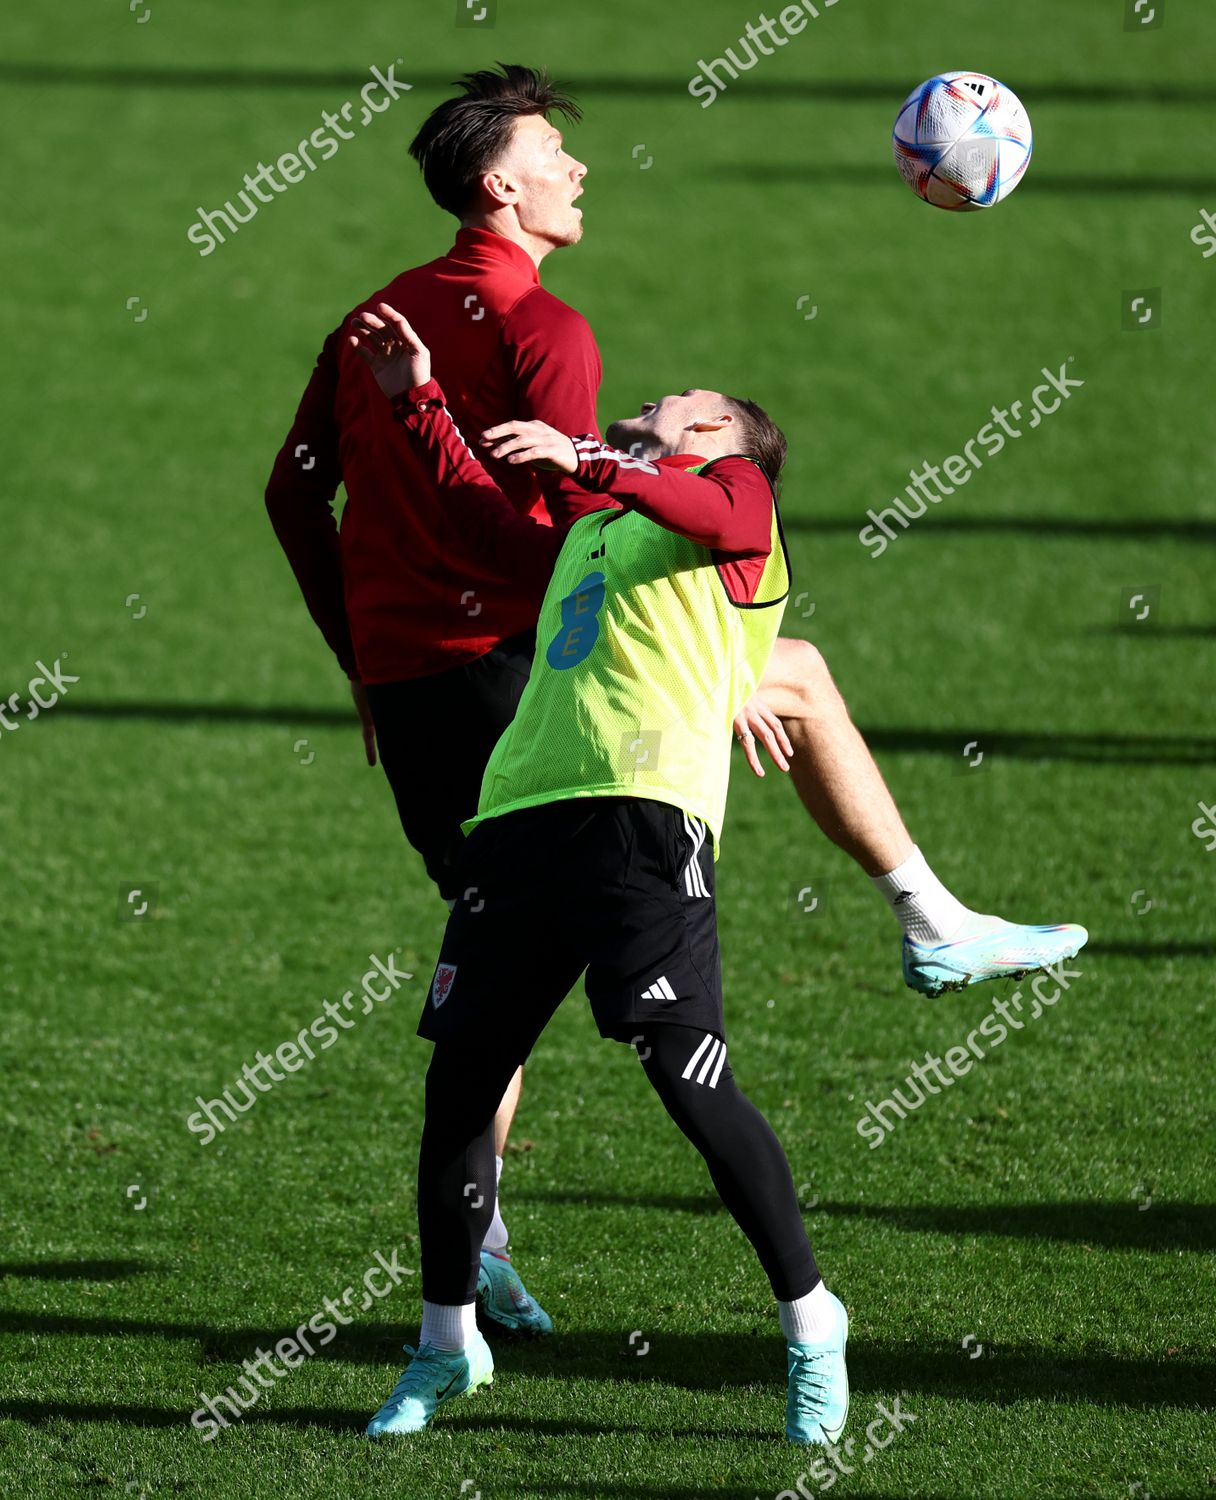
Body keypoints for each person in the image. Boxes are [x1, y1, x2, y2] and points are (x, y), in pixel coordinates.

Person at [264, 64, 1086, 1335]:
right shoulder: (548, 331)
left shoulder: (374, 317)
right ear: (503, 186)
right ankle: (926, 926)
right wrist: (671, 661)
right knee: (790, 686)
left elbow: (292, 495)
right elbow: (554, 541)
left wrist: (357, 661)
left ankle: (470, 1266)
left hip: (413, 688)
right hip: (525, 681)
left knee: (490, 988)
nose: (580, 169)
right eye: (556, 153)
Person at [347, 303, 849, 1445]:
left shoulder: (736, 509)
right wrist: (416, 400)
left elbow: (684, 496)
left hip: (642, 821)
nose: (653, 398)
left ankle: (811, 1323)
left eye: (681, 398)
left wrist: (585, 455)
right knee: (459, 1090)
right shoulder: (597, 522)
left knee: (685, 1078)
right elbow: (480, 520)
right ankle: (445, 1344)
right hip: (521, 815)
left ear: (718, 435)